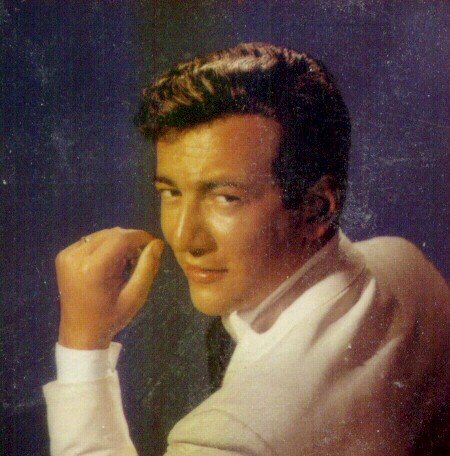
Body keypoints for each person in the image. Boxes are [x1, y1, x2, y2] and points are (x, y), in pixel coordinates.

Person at [43, 43, 449, 455]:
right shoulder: (405, 264)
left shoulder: (233, 437)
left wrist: (82, 344)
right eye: (171, 192)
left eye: (226, 198)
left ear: (316, 208)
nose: (184, 237)